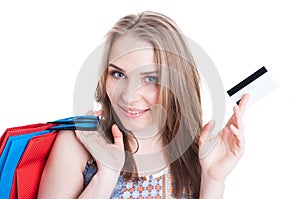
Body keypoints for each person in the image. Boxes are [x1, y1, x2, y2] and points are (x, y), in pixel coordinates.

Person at [37, 11, 249, 199]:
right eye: (118, 74)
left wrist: (213, 181)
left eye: (150, 79)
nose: (128, 96)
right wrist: (105, 178)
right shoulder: (78, 144)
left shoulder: (197, 152)